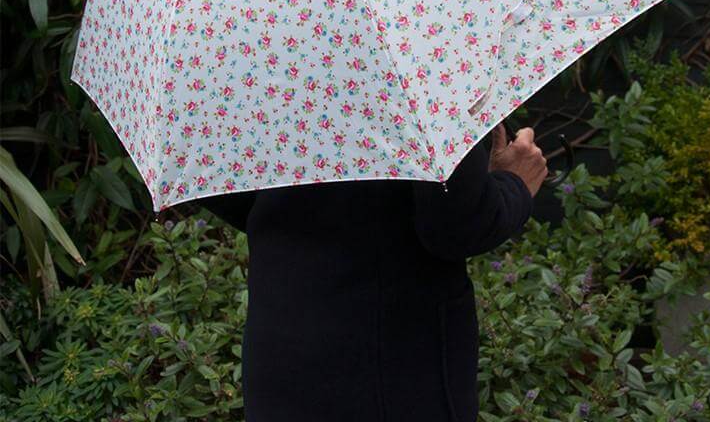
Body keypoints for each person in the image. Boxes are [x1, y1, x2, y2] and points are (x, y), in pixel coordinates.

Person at [192, 120, 556, 422]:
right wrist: (515, 182)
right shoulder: (425, 62)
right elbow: (456, 226)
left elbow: (220, 181)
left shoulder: (247, 61)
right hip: (390, 367)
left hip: (282, 353)